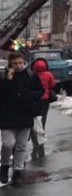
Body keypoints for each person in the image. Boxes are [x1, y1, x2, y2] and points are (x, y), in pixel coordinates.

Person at [0, 51, 43, 185]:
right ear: (10, 64)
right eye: (15, 63)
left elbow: (40, 91)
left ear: (24, 62)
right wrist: (8, 80)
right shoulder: (3, 77)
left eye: (20, 63)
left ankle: (17, 172)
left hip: (25, 115)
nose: (18, 66)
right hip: (7, 117)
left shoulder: (30, 76)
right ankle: (4, 166)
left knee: (21, 146)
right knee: (8, 144)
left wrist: (28, 96)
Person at [29, 57, 56, 160]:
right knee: (43, 119)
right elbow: (52, 84)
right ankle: (41, 136)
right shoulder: (48, 74)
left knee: (34, 119)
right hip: (45, 100)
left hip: (35, 99)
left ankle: (34, 139)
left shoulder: (32, 75)